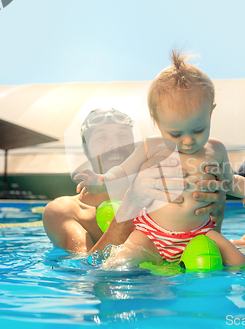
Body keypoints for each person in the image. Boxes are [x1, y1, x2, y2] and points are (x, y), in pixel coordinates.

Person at [75, 50, 245, 265]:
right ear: (156, 120)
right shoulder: (151, 146)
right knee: (122, 261)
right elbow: (123, 172)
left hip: (199, 234)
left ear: (210, 112)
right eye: (176, 134)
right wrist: (100, 180)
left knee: (240, 262)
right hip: (152, 233)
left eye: (198, 130)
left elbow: (233, 183)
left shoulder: (216, 149)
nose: (188, 141)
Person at [42, 108, 228, 254]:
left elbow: (198, 254)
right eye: (101, 137)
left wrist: (216, 218)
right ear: (86, 149)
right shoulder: (65, 211)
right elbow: (85, 273)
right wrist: (132, 202)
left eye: (123, 136)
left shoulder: (163, 197)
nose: (115, 145)